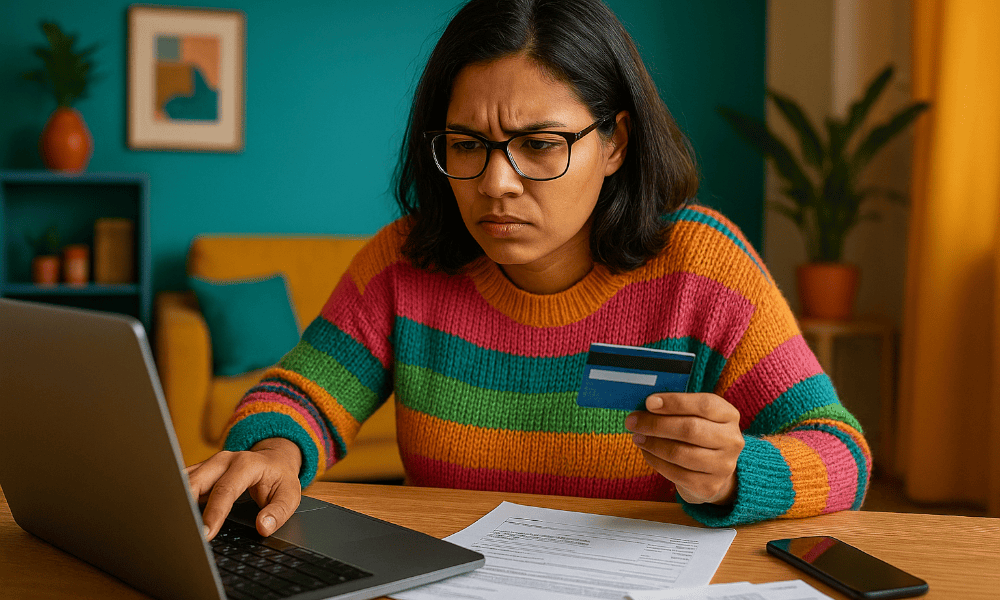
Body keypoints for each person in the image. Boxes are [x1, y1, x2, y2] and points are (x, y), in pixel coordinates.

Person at [187, 0, 871, 540]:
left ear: (615, 144)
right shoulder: (407, 260)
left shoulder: (703, 269)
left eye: (539, 144)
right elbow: (301, 393)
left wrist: (735, 474)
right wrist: (277, 449)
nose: (496, 183)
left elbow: (843, 452)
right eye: (466, 145)